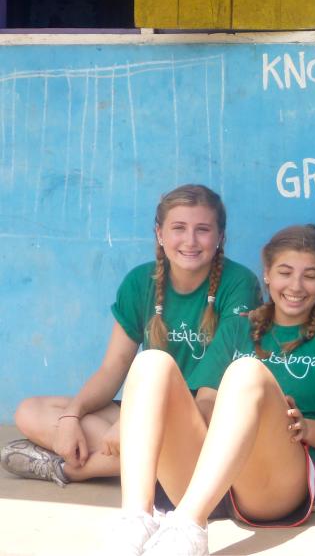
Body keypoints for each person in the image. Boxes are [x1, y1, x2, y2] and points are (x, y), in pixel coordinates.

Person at [108, 224, 315, 556]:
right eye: (285, 272)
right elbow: (204, 404)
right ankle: (136, 518)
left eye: (310, 276)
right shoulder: (237, 328)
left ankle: (188, 525)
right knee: (151, 362)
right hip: (209, 478)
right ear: (268, 275)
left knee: (247, 372)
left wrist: (305, 427)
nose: (296, 286)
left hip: (273, 486)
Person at [1, 185, 259, 486]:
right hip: (148, 412)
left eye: (202, 229)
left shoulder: (240, 284)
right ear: (160, 234)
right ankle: (154, 465)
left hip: (206, 419)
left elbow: (208, 400)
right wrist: (71, 418)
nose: (190, 241)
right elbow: (113, 368)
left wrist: (129, 426)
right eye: (179, 228)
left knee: (182, 442)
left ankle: (71, 469)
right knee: (31, 411)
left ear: (220, 237)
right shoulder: (140, 282)